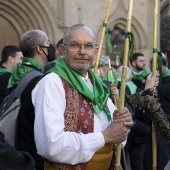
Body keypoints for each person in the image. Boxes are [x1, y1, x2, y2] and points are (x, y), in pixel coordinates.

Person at [32, 23, 133, 170]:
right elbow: (51, 145)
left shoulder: (97, 84)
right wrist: (104, 137)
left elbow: (115, 132)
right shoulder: (52, 82)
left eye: (89, 46)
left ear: (96, 51)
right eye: (74, 45)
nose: (82, 52)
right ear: (62, 50)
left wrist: (123, 123)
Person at [7, 29, 54, 170]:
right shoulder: (40, 80)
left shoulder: (15, 75)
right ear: (40, 49)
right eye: (48, 43)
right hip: (32, 156)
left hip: (16, 152)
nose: (50, 47)